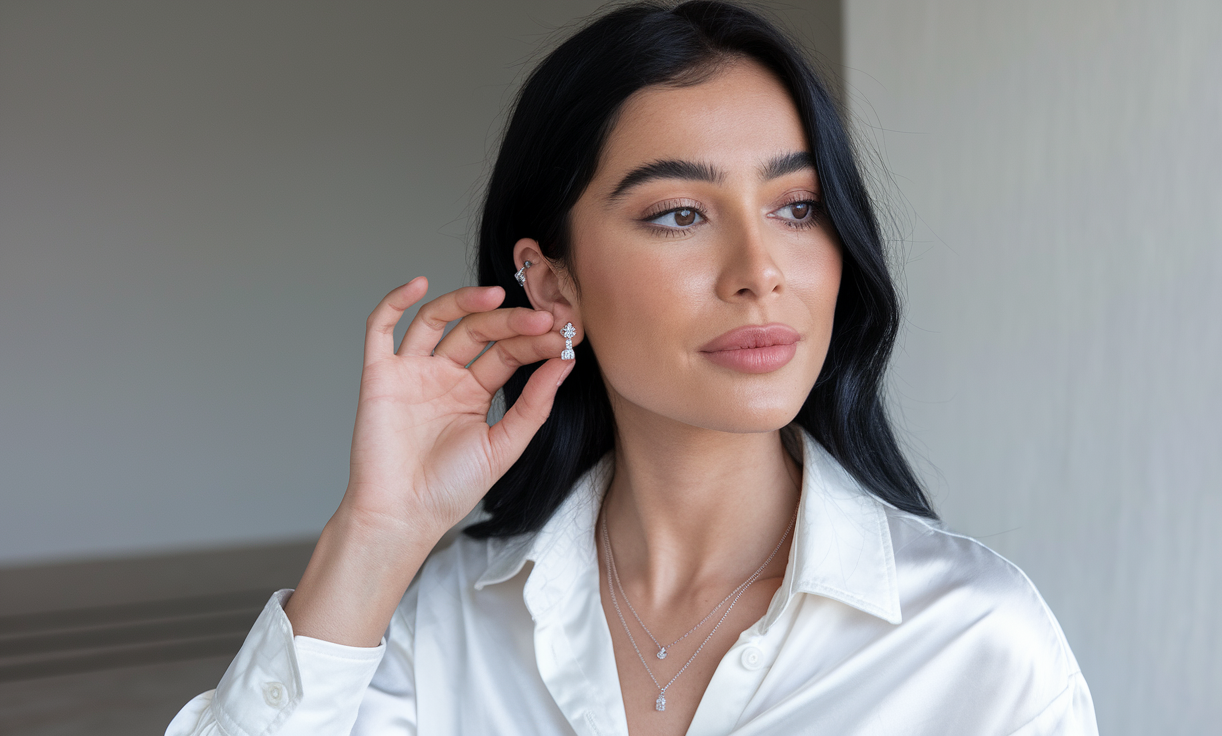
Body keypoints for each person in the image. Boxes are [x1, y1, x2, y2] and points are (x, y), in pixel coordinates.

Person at [167, 2, 1097, 734]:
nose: (760, 272)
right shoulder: (446, 627)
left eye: (799, 206)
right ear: (553, 283)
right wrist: (376, 532)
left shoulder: (977, 643)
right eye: (678, 215)